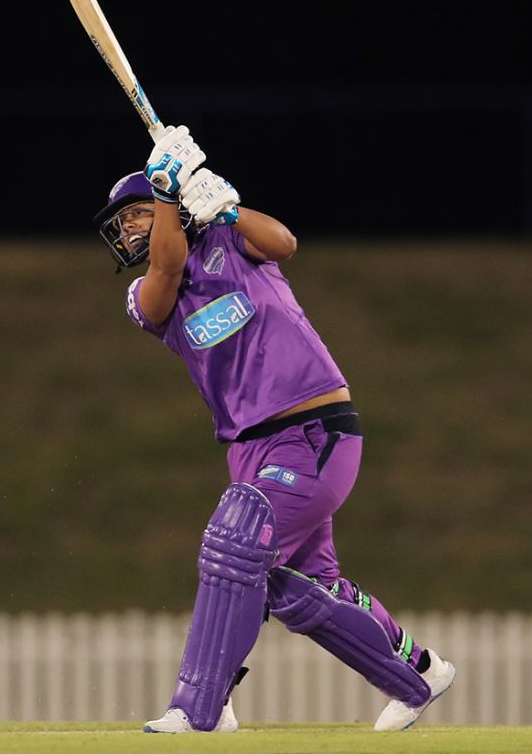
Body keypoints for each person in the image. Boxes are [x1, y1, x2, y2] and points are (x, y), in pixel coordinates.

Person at [93, 125, 456, 733]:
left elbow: (283, 241)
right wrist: (163, 191)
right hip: (249, 446)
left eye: (138, 215)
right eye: (128, 221)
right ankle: (416, 674)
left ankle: (201, 706)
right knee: (295, 585)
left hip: (313, 427)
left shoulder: (230, 245)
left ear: (174, 209)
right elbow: (167, 265)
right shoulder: (148, 294)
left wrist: (224, 206)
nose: (130, 229)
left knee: (236, 541)